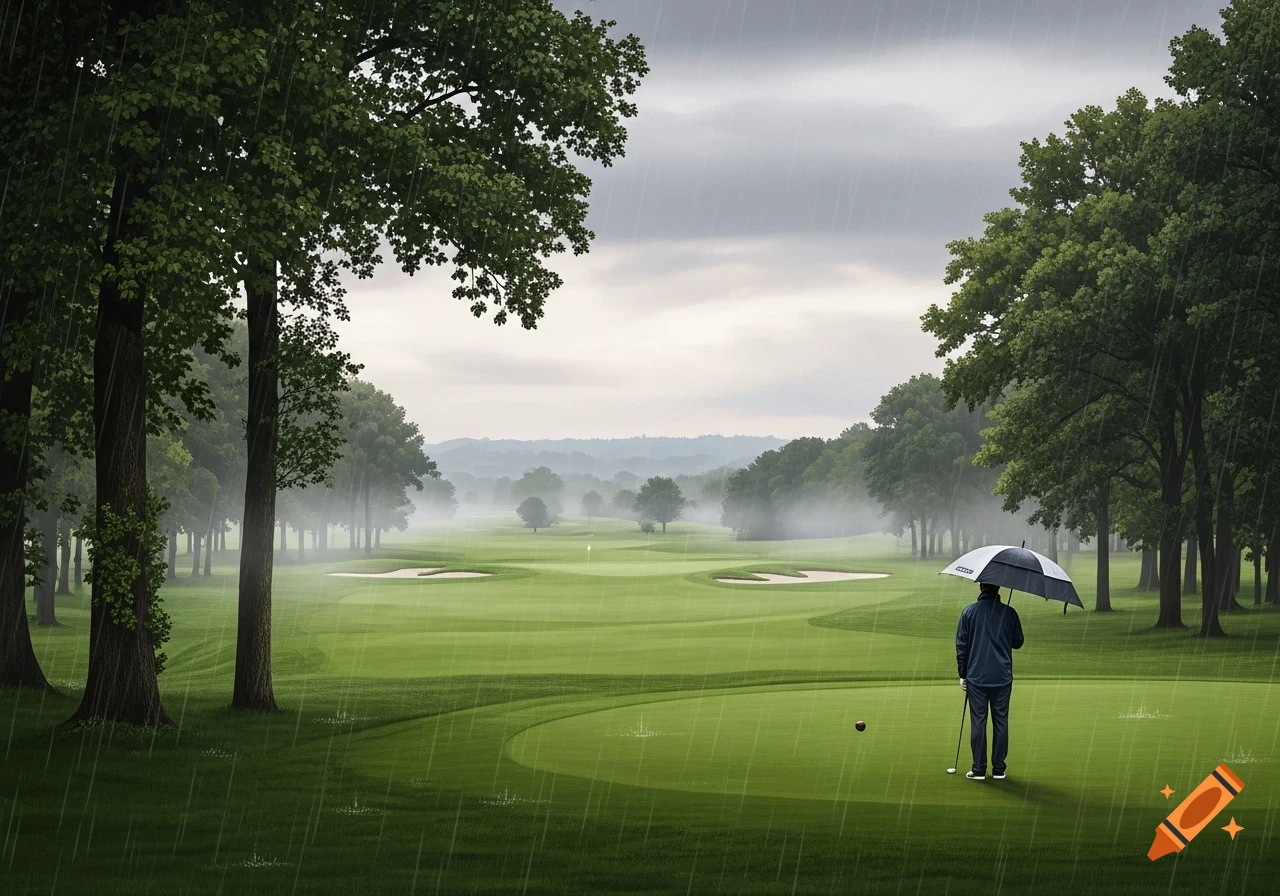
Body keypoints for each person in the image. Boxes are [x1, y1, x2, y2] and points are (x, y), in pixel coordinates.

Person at [955, 581, 1024, 780]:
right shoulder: (1009, 613)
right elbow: (1018, 642)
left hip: (977, 676)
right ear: (999, 588)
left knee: (979, 722)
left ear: (981, 587)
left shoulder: (969, 612)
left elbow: (962, 646)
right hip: (1002, 677)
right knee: (1001, 721)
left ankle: (978, 769)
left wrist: (962, 674)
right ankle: (999, 769)